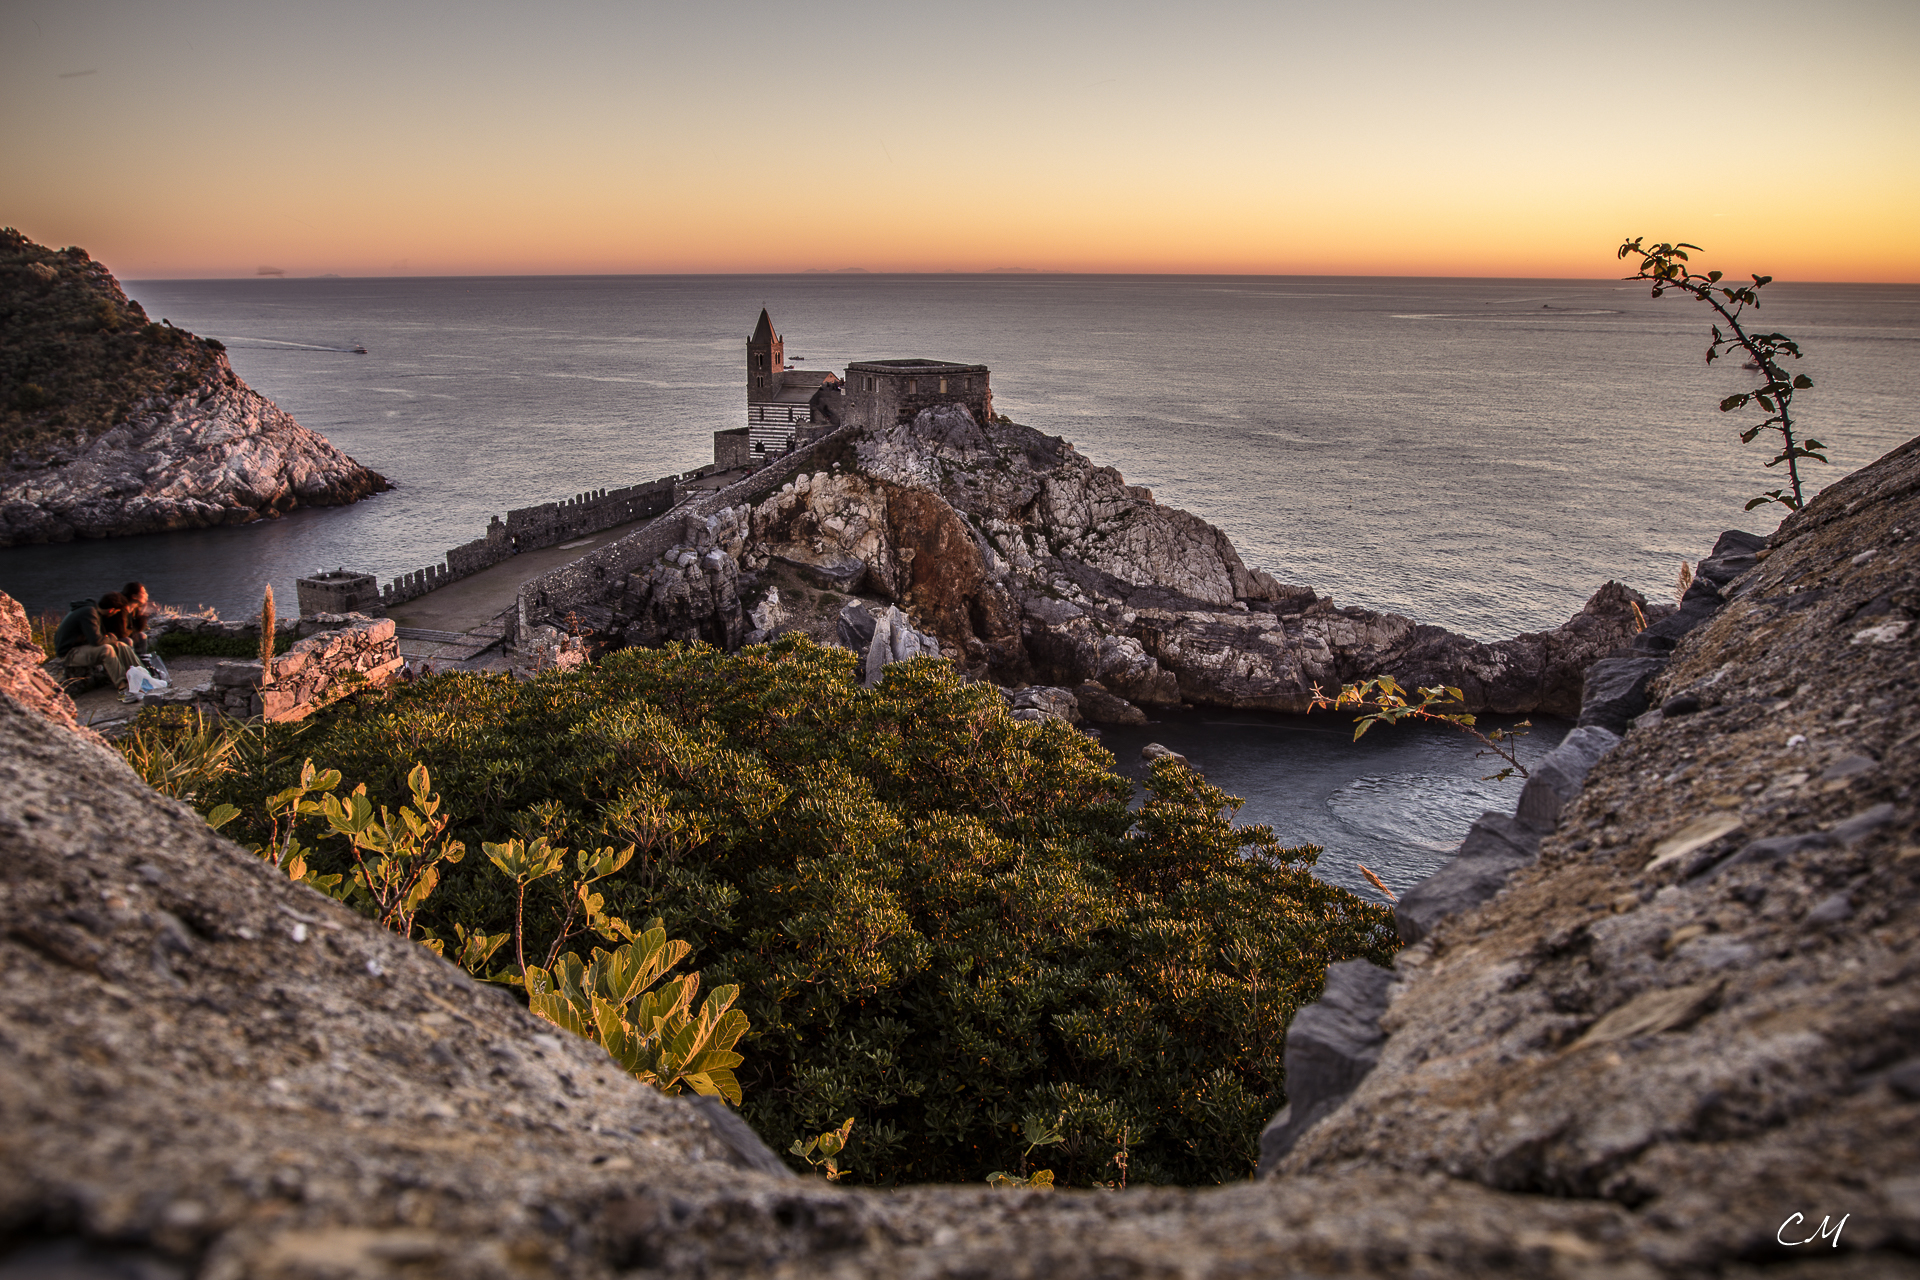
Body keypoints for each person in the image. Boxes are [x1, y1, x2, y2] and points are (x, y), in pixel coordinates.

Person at [52, 593, 138, 689]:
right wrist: (112, 637)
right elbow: (97, 640)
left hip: (80, 647)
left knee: (121, 645)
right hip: (69, 654)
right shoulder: (89, 613)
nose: (116, 614)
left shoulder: (92, 610)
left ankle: (140, 677)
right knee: (107, 649)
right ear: (111, 610)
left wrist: (110, 638)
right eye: (117, 611)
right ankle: (123, 686)